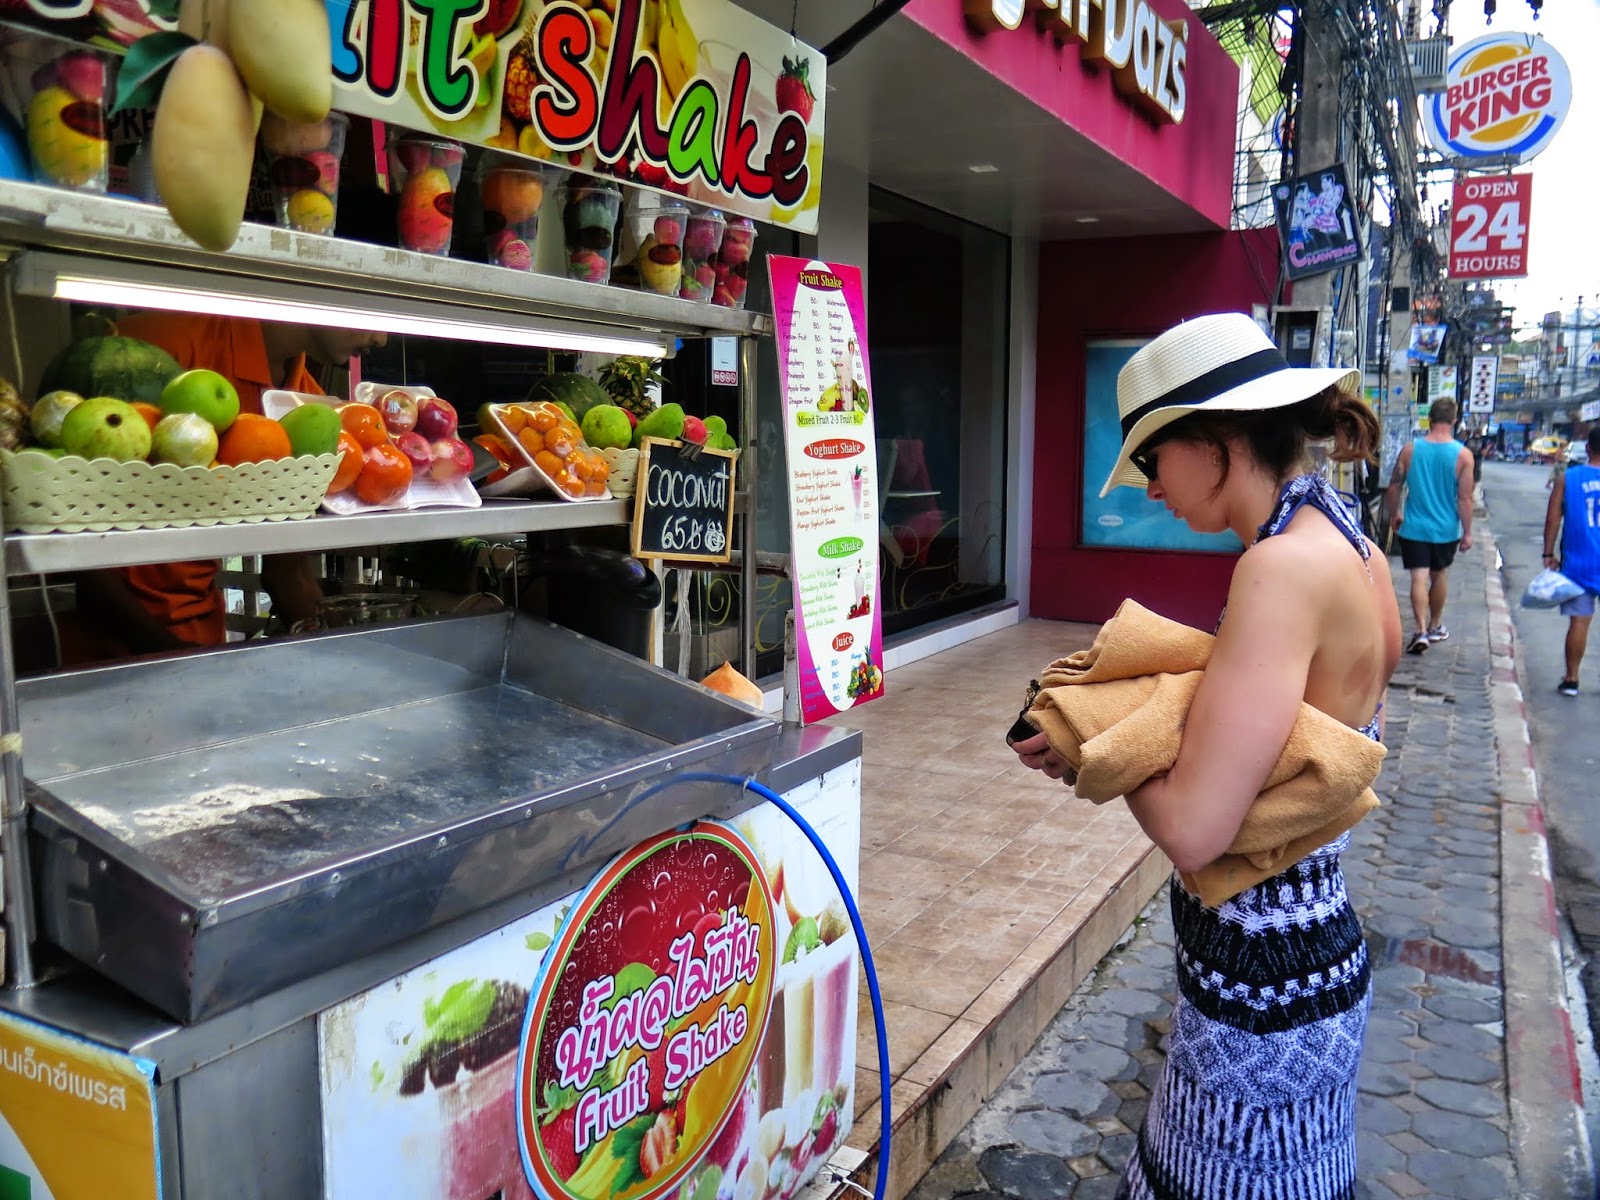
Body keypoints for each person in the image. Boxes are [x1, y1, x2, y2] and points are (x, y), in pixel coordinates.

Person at [1011, 312, 1400, 1199]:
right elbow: (1303, 748)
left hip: (1261, 999)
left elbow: (1194, 829)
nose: (1151, 487)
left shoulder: (1278, 568)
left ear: (1216, 438)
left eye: (1153, 458)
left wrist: (1099, 743)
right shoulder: (1357, 548)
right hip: (1307, 963)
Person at [61, 313, 387, 665]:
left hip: (201, 640)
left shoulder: (304, 403)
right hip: (105, 657)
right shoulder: (160, 344)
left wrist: (347, 655)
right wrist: (172, 656)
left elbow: (286, 571)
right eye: (377, 303)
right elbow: (77, 539)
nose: (381, 338)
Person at [1385, 399, 1473, 654]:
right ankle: (1435, 625)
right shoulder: (1463, 455)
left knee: (1418, 577)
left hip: (1414, 526)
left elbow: (1394, 487)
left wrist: (1395, 514)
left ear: (1430, 419)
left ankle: (1420, 629)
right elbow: (1465, 498)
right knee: (1439, 575)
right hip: (1446, 529)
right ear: (1454, 421)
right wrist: (1467, 532)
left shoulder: (1410, 450)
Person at [1542, 426, 1600, 696]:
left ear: (1588, 448)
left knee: (1579, 621)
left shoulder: (1568, 478)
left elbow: (1553, 518)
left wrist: (1548, 553)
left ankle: (1571, 679)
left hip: (1579, 562)